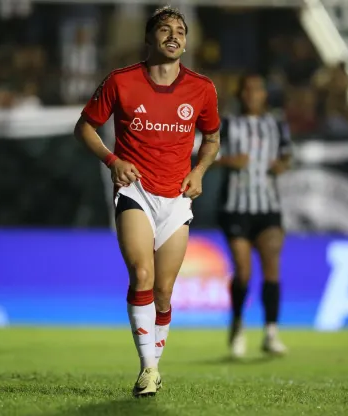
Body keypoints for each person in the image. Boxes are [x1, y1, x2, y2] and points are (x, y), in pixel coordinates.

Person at [74, 6, 221, 397]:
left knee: (164, 292)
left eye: (180, 31)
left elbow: (212, 138)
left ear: (186, 42)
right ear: (149, 38)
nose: (173, 36)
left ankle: (153, 366)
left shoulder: (202, 89)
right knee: (142, 275)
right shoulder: (121, 82)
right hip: (135, 191)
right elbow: (84, 127)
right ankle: (148, 369)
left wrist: (199, 172)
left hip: (176, 199)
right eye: (165, 29)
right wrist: (113, 160)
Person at [216, 73, 292, 358]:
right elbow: (204, 155)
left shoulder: (277, 125)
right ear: (240, 95)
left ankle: (271, 331)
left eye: (257, 89)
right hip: (235, 207)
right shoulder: (227, 124)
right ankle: (237, 323)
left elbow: (287, 156)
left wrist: (282, 165)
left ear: (264, 95)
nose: (252, 94)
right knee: (244, 271)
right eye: (247, 90)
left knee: (272, 264)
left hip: (268, 207)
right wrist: (226, 160)